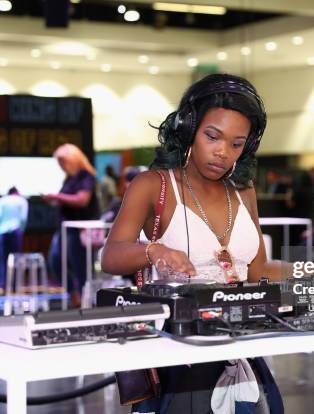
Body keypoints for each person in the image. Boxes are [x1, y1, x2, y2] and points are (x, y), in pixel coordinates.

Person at [101, 74, 283, 413]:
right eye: (212, 136)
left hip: (241, 349)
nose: (222, 152)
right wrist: (153, 251)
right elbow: (110, 256)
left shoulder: (244, 191)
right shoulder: (153, 185)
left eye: (236, 143)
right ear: (189, 129)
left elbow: (259, 272)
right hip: (180, 355)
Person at [44, 143, 99, 308]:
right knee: (55, 262)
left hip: (78, 229)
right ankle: (74, 294)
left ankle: (86, 301)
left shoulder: (85, 176)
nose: (61, 166)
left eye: (63, 162)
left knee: (81, 267)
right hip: (64, 228)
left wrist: (57, 197)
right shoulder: (70, 178)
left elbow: (82, 200)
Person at [0, 187, 28, 290]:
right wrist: (21, 231)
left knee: (3, 259)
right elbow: (23, 218)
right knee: (16, 259)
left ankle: (4, 285)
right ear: (17, 192)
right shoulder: (22, 200)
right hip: (16, 231)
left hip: (2, 232)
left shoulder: (1, 200)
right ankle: (16, 284)